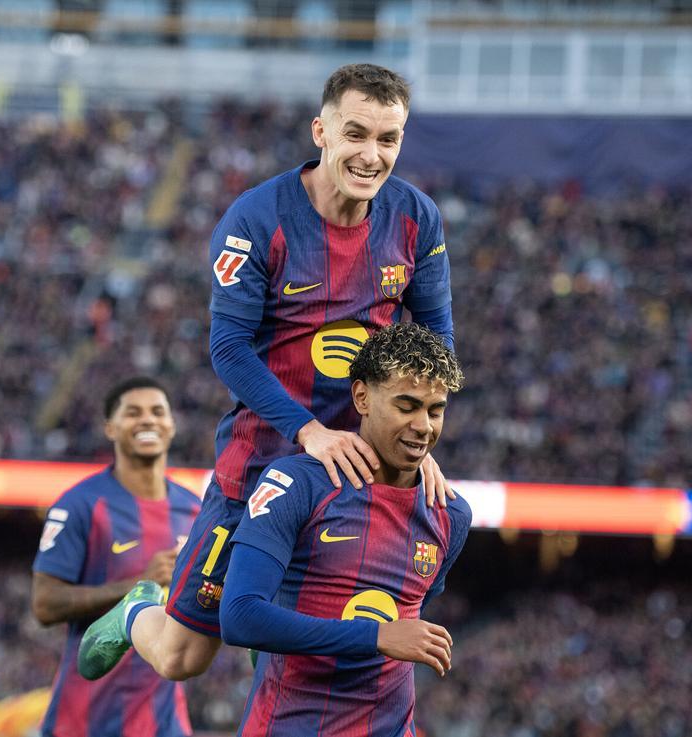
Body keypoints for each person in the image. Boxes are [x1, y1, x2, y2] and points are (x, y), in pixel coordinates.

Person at [80, 62, 456, 682]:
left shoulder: (417, 219)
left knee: (309, 643)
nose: (371, 155)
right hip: (261, 461)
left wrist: (415, 439)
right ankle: (137, 611)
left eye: (387, 139)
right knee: (181, 659)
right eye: (355, 134)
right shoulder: (257, 221)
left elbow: (435, 338)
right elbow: (228, 349)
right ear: (321, 132)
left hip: (357, 471)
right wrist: (309, 431)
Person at [221, 322, 470, 735]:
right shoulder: (298, 483)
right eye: (406, 406)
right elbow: (240, 617)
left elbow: (412, 617)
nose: (424, 425)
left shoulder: (450, 514)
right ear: (362, 397)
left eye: (435, 410)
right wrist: (374, 637)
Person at [31, 377, 201, 737]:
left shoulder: (194, 509)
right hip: (85, 719)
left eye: (158, 412)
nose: (148, 420)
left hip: (165, 720)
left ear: (171, 425)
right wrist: (139, 587)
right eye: (133, 413)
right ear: (110, 427)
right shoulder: (81, 504)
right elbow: (44, 604)